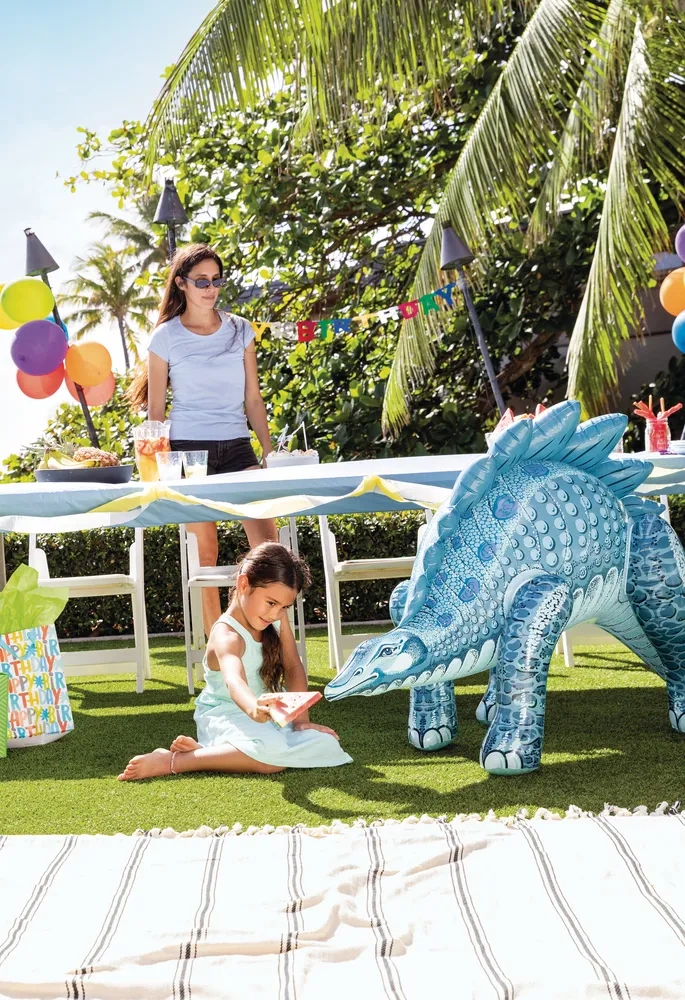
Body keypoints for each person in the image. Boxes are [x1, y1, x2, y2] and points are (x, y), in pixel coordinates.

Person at [128, 243, 278, 638]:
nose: (211, 289)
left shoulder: (240, 329)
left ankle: (256, 636)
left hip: (238, 447)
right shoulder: (165, 337)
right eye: (201, 282)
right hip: (187, 452)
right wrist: (156, 466)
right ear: (181, 284)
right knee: (205, 554)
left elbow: (253, 399)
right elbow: (155, 413)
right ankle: (218, 648)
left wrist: (269, 452)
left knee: (269, 550)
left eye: (215, 281)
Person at [118, 542, 352, 780]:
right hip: (227, 714)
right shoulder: (226, 634)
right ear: (243, 585)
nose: (275, 613)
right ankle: (175, 761)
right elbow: (234, 681)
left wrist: (301, 723)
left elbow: (293, 666)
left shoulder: (276, 619)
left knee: (327, 744)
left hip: (267, 716)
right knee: (271, 757)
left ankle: (214, 752)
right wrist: (253, 708)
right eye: (271, 603)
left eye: (284, 606)